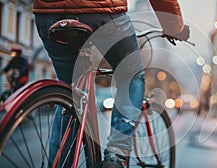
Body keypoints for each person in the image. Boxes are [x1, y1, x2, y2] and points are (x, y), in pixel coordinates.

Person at [33, 1, 190, 167]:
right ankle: (117, 154)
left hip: (48, 14)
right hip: (101, 11)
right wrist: (175, 28)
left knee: (69, 90)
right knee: (131, 77)